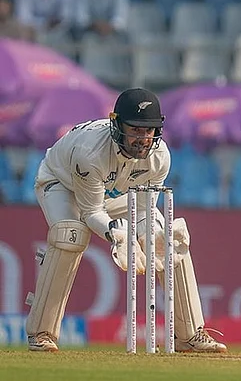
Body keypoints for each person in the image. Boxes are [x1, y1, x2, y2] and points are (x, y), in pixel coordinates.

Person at [25, 88, 227, 353]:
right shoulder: (90, 153)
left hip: (115, 193)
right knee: (70, 235)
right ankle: (41, 332)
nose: (142, 139)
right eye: (135, 130)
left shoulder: (160, 158)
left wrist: (150, 237)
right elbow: (91, 213)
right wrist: (116, 235)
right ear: (117, 125)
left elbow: (144, 210)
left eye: (148, 131)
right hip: (62, 184)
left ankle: (188, 334)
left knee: (165, 240)